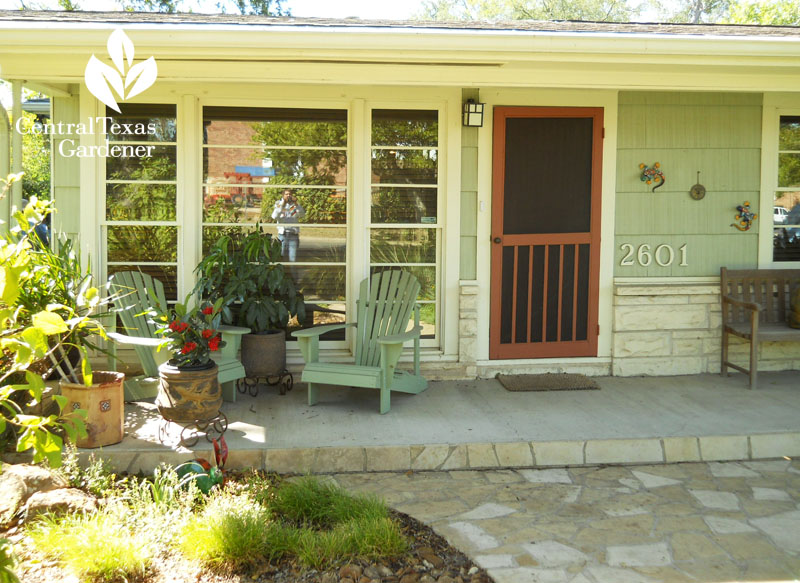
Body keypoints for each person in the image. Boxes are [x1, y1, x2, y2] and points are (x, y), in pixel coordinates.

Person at [271, 190, 305, 262]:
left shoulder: (294, 205)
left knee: (293, 259)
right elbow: (274, 216)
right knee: (281, 257)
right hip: (283, 235)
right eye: (286, 194)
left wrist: (296, 204)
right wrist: (283, 204)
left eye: (290, 194)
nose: (288, 196)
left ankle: (292, 273)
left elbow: (302, 215)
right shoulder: (278, 204)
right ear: (283, 196)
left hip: (293, 235)